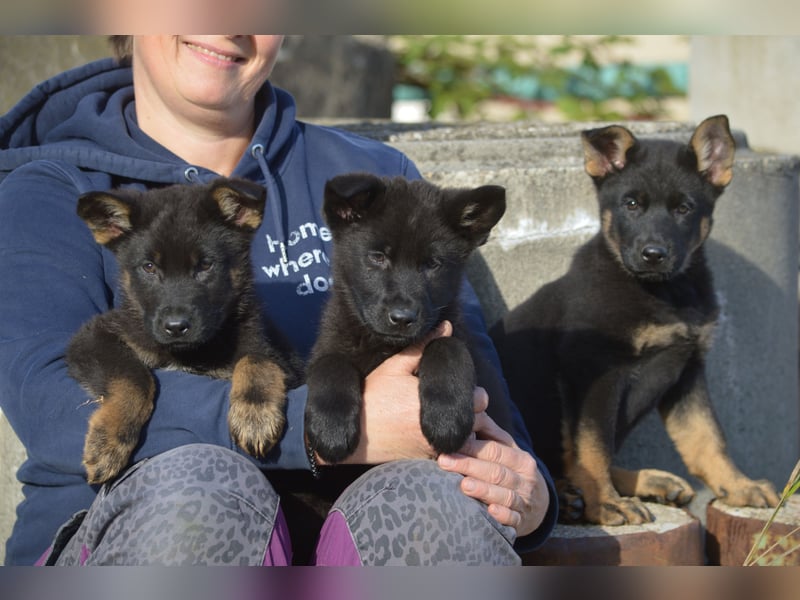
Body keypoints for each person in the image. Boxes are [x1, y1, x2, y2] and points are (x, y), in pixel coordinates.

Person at [0, 35, 556, 566]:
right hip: (125, 524)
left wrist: (525, 489)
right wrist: (319, 430)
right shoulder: (50, 188)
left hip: (342, 529)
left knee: (432, 504)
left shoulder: (375, 179)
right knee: (206, 492)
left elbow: (467, 359)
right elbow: (47, 401)